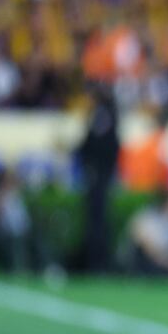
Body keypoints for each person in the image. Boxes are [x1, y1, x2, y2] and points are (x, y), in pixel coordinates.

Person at [75, 83, 120, 272]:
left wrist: (79, 153)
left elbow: (94, 144)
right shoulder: (109, 113)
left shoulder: (102, 115)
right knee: (98, 221)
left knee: (97, 222)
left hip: (98, 174)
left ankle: (96, 263)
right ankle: (97, 262)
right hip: (102, 174)